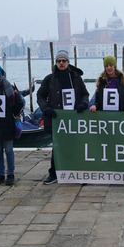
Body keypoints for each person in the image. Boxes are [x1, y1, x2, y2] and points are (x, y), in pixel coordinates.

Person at [37, 50, 89, 184]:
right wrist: (46, 109)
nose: (61, 63)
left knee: (76, 146)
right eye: (59, 61)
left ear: (68, 62)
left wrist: (83, 104)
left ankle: (78, 172)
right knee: (57, 147)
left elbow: (85, 94)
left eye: (63, 61)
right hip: (57, 119)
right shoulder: (49, 79)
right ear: (55, 63)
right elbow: (40, 95)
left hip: (73, 118)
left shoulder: (76, 78)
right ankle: (53, 173)